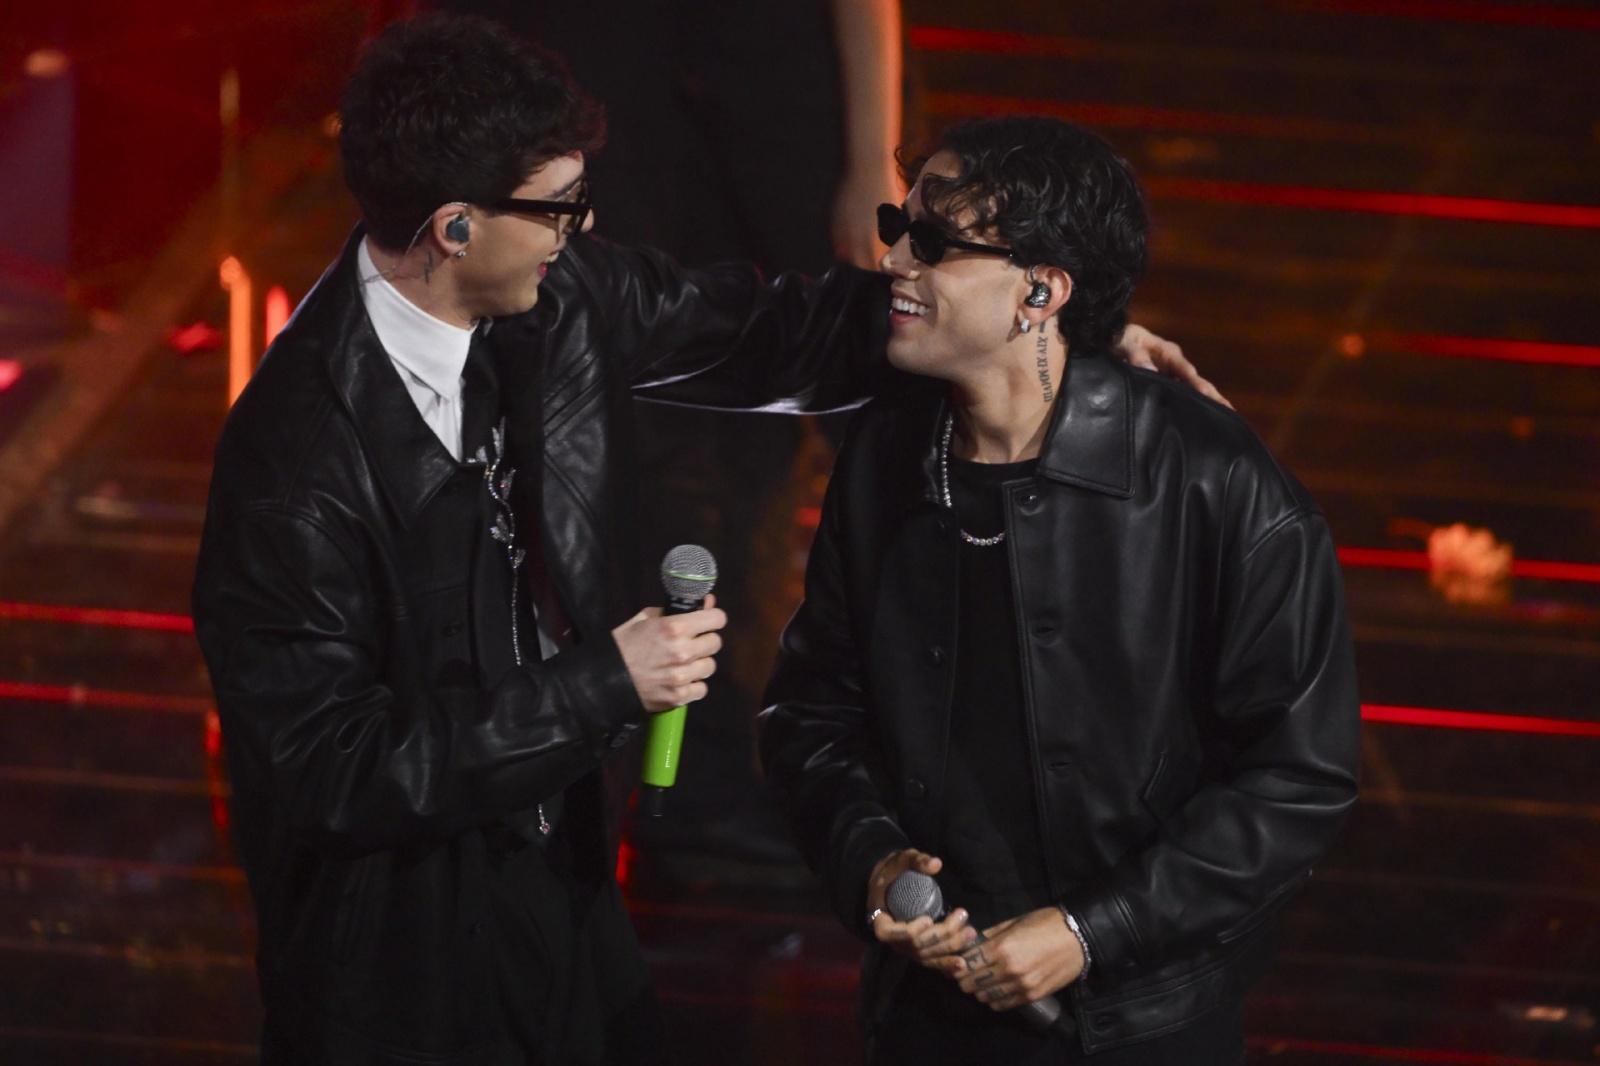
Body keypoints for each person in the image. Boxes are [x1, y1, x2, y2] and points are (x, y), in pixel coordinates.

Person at [191, 14, 894, 1063]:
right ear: (454, 227)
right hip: (395, 952)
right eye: (558, 207)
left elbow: (771, 333)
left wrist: (1032, 336)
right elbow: (333, 770)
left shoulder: (560, 298)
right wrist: (604, 685)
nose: (580, 227)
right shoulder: (293, 464)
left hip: (564, 888)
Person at [759, 116, 1361, 1063]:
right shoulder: (886, 455)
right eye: (898, 227)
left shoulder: (1213, 478)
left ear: (1040, 291)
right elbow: (812, 712)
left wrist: (1091, 930)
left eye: (934, 243)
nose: (894, 260)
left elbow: (1299, 776)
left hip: (1141, 1021)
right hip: (927, 1011)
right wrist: (870, 860)